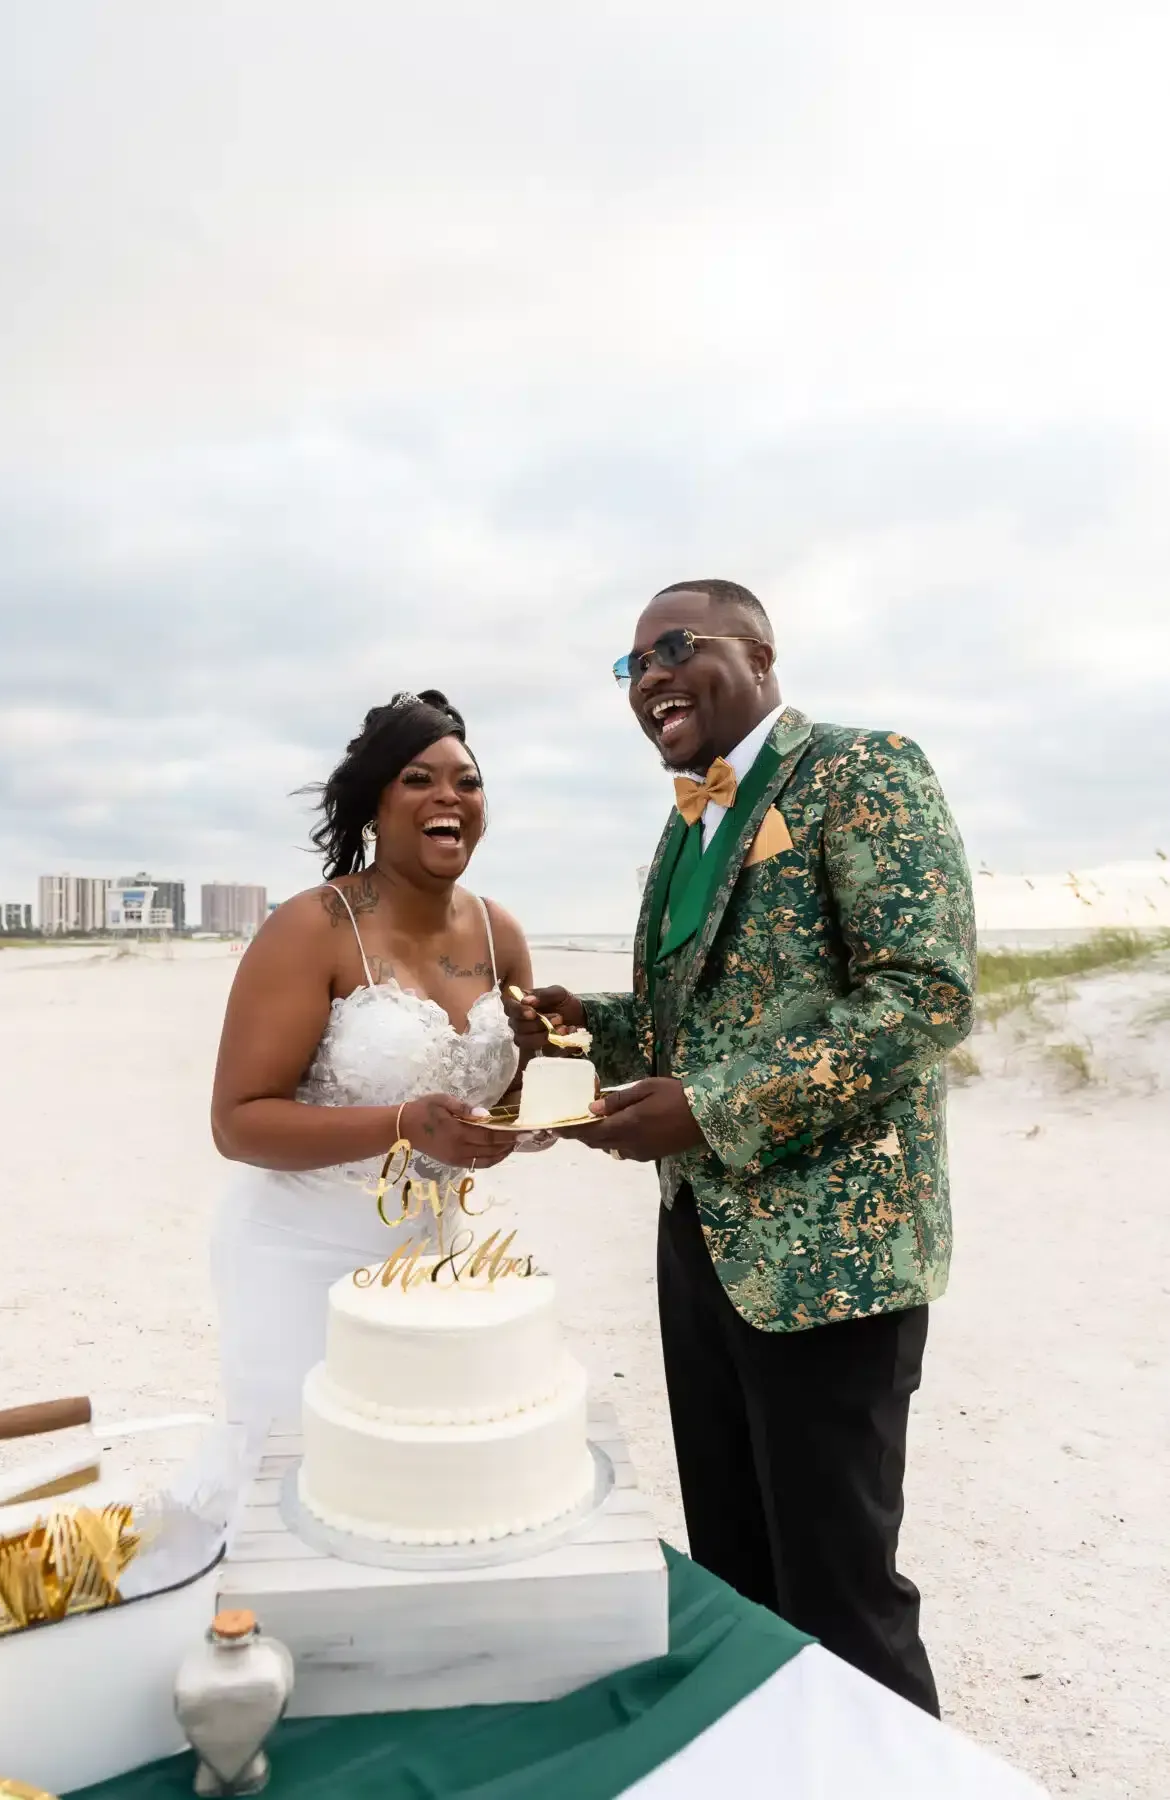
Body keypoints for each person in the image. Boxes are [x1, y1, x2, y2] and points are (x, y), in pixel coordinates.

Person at [507, 580, 975, 1716]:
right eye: (632, 667)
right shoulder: (686, 824)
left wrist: (708, 1106)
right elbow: (692, 1022)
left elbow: (923, 996)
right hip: (698, 1240)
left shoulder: (864, 771)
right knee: (734, 1565)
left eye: (675, 646)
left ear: (759, 651)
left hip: (828, 1263)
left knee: (837, 1588)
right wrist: (586, 1027)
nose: (652, 678)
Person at [210, 689, 527, 1439]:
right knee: (305, 1474)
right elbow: (238, 1122)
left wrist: (510, 1130)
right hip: (301, 1255)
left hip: (441, 1257)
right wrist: (400, 1126)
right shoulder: (311, 927)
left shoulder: (499, 932)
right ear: (374, 806)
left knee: (414, 1482)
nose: (449, 795)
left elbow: (500, 1098)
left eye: (467, 781)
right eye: (418, 778)